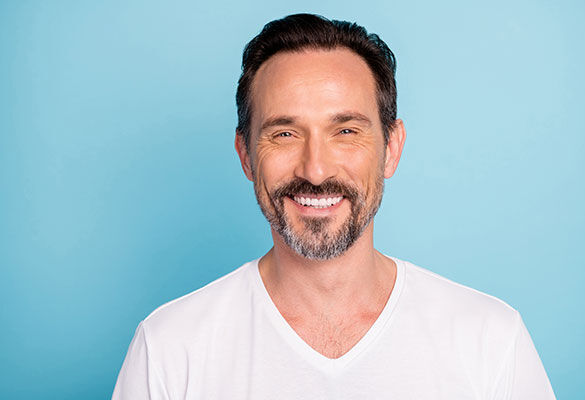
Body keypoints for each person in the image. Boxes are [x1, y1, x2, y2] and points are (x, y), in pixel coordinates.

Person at [113, 13, 556, 399]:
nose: (316, 169)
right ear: (245, 155)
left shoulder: (491, 340)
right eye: (284, 134)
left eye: (345, 131)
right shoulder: (168, 348)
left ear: (391, 149)